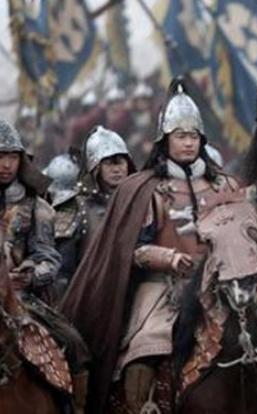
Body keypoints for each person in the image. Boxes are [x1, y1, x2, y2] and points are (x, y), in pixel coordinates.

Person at [62, 78, 240, 413]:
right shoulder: (147, 188)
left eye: (193, 136)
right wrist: (170, 258)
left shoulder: (224, 186)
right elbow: (133, 250)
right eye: (180, 136)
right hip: (162, 288)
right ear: (165, 140)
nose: (188, 143)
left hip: (218, 287)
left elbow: (241, 236)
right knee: (143, 351)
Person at [0, 119, 90, 412]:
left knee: (74, 344)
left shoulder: (36, 207)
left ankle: (75, 408)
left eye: (12, 156)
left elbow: (48, 257)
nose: (6, 164)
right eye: (0, 156)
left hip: (22, 299)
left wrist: (30, 274)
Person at [54, 126, 135, 288]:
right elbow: (63, 270)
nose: (116, 169)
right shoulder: (75, 206)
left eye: (120, 162)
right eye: (109, 163)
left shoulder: (139, 201)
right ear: (95, 167)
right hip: (89, 290)